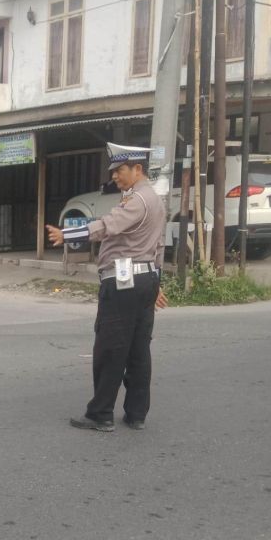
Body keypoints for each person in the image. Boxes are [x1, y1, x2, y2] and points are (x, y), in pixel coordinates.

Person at [46, 142, 169, 433]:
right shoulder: (153, 200)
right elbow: (158, 246)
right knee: (139, 350)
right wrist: (155, 284)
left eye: (119, 171)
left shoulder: (138, 200)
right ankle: (136, 413)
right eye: (113, 171)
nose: (114, 176)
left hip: (124, 283)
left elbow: (108, 225)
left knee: (110, 348)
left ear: (137, 170)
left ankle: (100, 413)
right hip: (145, 279)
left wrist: (68, 233)